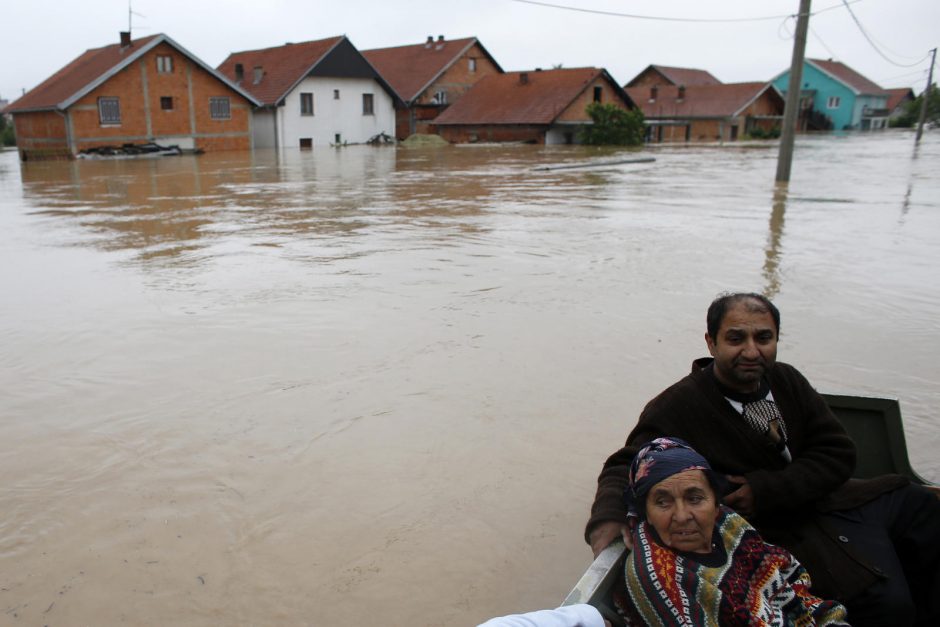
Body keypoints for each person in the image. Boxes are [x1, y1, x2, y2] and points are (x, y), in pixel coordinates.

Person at [586, 292, 940, 627]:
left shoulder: (786, 379)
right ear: (711, 342)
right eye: (736, 339)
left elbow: (838, 452)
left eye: (764, 338)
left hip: (825, 500)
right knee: (882, 598)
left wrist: (766, 487)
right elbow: (626, 466)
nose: (751, 351)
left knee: (919, 504)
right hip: (775, 528)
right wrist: (607, 519)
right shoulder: (681, 405)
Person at [618, 437, 849, 626]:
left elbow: (786, 576)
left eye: (695, 498)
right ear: (645, 513)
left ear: (716, 503)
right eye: (662, 502)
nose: (681, 516)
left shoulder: (726, 523)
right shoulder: (659, 576)